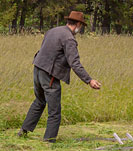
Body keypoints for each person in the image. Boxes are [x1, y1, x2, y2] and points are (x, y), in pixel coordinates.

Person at [18, 11, 101, 142]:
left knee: (39, 101)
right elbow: (74, 63)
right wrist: (89, 80)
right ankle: (49, 140)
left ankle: (23, 131)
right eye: (82, 25)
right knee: (55, 111)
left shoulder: (53, 30)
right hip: (49, 74)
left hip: (37, 68)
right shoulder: (69, 38)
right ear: (78, 24)